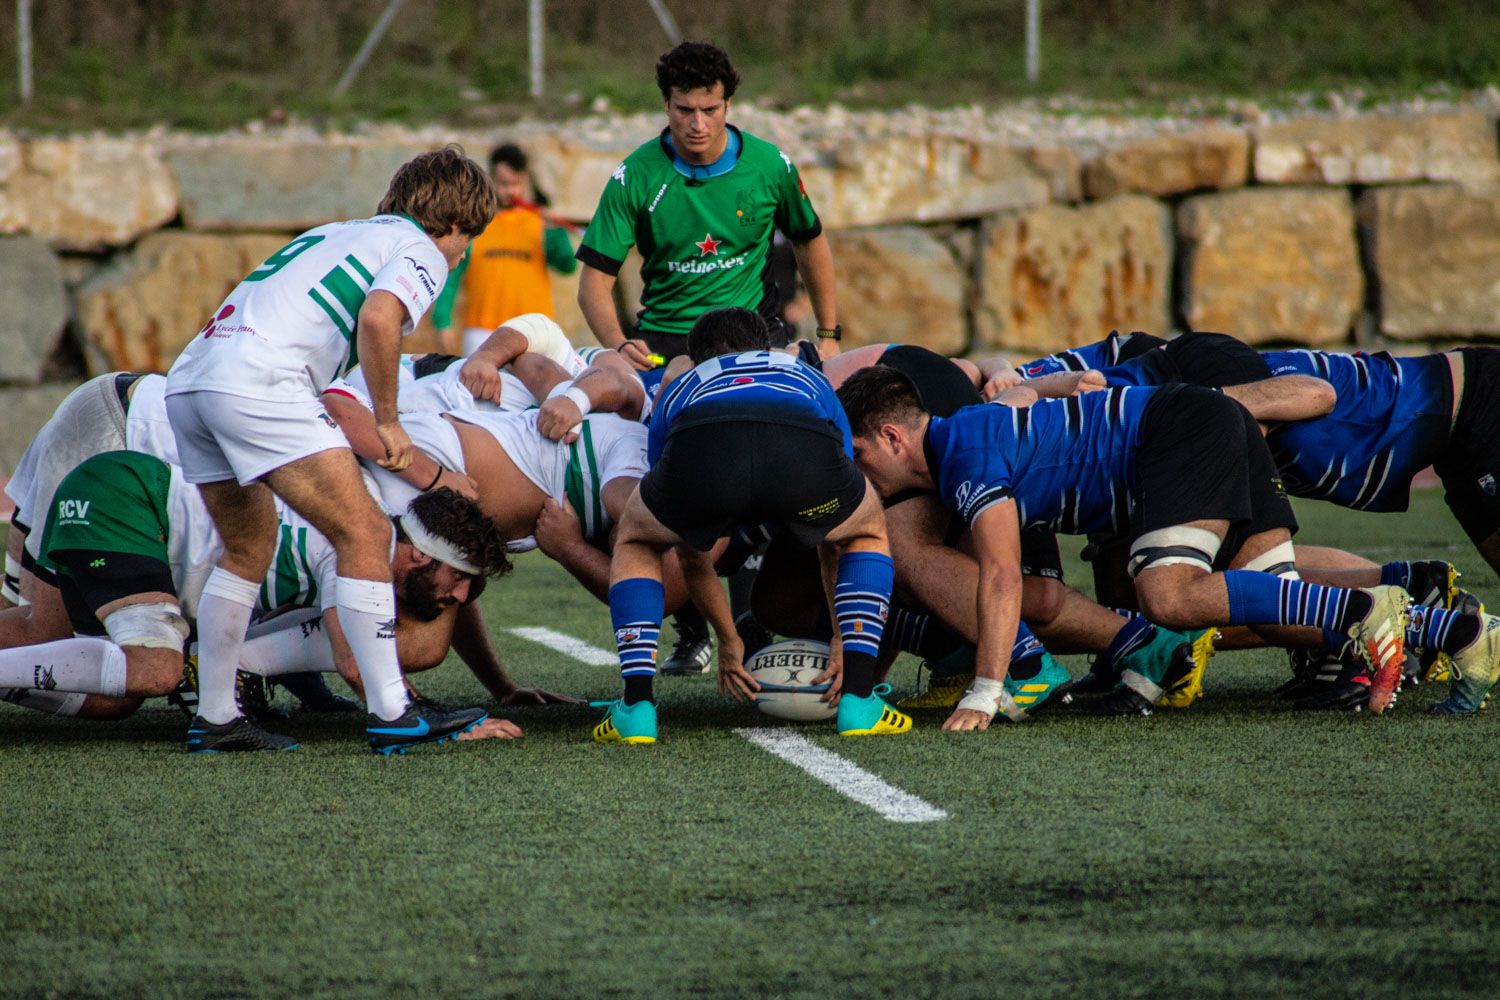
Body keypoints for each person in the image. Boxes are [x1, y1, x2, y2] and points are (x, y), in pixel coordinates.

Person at [834, 366, 1478, 727]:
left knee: (1167, 595)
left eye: (859, 456)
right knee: (1276, 607)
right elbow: (1035, 400)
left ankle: (1369, 611)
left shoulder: (962, 456)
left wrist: (984, 691)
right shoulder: (969, 430)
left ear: (892, 438)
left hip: (1182, 430)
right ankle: (1461, 632)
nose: (859, 475)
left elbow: (1000, 577)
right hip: (1200, 420)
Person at [162, 146, 500, 753]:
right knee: (367, 534)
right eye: (467, 239)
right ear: (454, 223)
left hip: (191, 378)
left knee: (246, 547)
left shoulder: (338, 231)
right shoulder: (421, 247)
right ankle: (393, 712)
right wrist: (391, 423)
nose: (461, 252)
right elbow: (379, 320)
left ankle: (215, 716)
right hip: (258, 378)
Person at [574, 42, 846, 674]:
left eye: (710, 109)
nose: (697, 124)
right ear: (665, 106)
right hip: (667, 350)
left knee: (782, 465)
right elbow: (593, 279)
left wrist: (829, 332)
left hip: (756, 339)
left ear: (729, 103)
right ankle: (696, 624)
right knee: (664, 491)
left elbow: (812, 244)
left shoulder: (769, 166)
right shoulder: (636, 176)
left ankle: (761, 618)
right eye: (683, 110)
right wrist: (618, 342)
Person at [0, 452, 520, 747]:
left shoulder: (370, 523)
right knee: (156, 669)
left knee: (114, 698)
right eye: (459, 578)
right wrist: (446, 726)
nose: (460, 595)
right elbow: (359, 663)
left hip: (132, 504)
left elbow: (287, 626)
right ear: (418, 555)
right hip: (132, 500)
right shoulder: (367, 541)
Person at [595, 307, 909, 745]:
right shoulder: (801, 370)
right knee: (864, 529)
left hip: (704, 441)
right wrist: (841, 633)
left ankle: (636, 708)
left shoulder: (686, 380)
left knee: (636, 539)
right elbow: (832, 519)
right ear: (765, 347)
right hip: (799, 444)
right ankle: (859, 700)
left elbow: (688, 544)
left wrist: (728, 640)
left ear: (697, 355)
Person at [432, 144, 579, 357]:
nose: (510, 191)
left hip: (534, 329)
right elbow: (452, 275)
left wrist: (556, 233)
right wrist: (442, 320)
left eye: (516, 184)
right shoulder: (476, 223)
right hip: (483, 330)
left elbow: (567, 266)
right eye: (503, 184)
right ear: (490, 179)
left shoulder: (539, 222)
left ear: (525, 180)